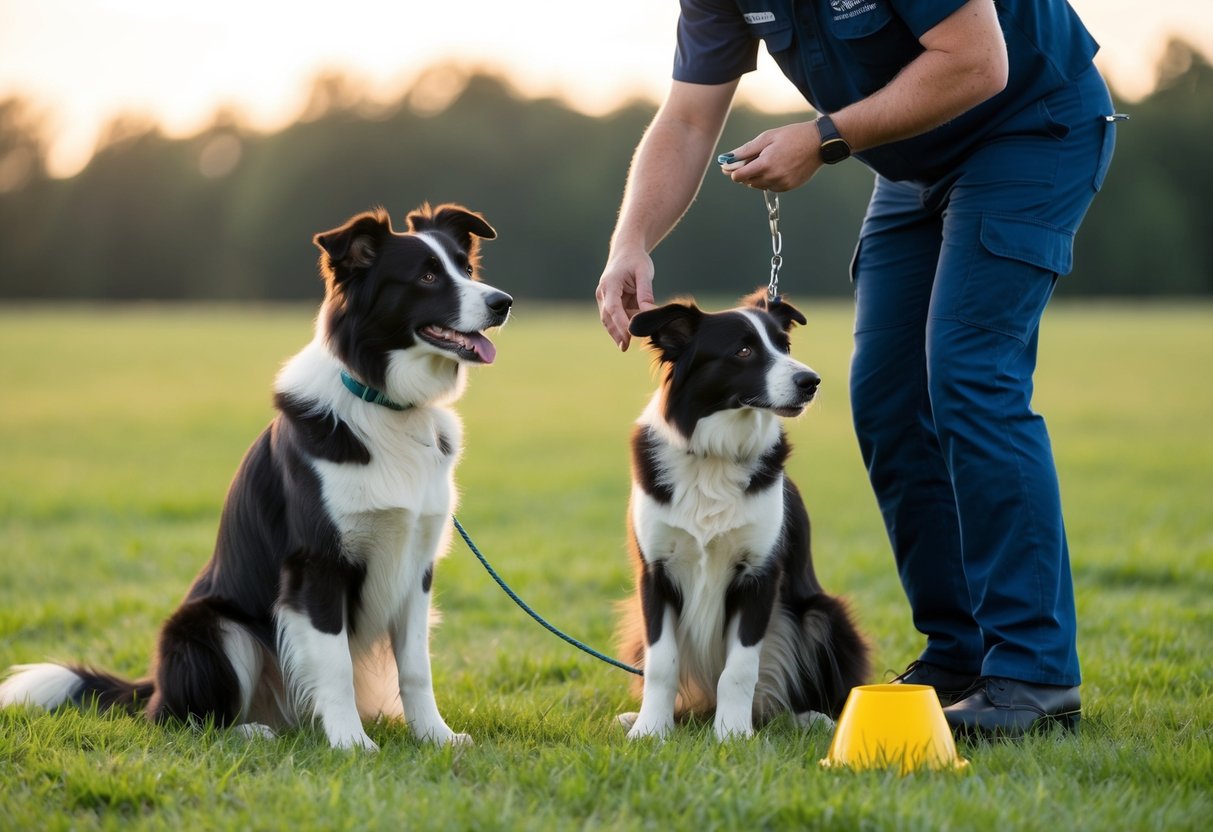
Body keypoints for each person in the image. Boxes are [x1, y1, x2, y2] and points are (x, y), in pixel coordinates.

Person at [595, 0, 1119, 737]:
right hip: (910, 165)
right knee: (884, 397)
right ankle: (958, 655)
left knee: (969, 377)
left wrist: (823, 136)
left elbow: (976, 62)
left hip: (1027, 127)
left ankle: (1032, 672)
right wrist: (631, 242)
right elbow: (685, 120)